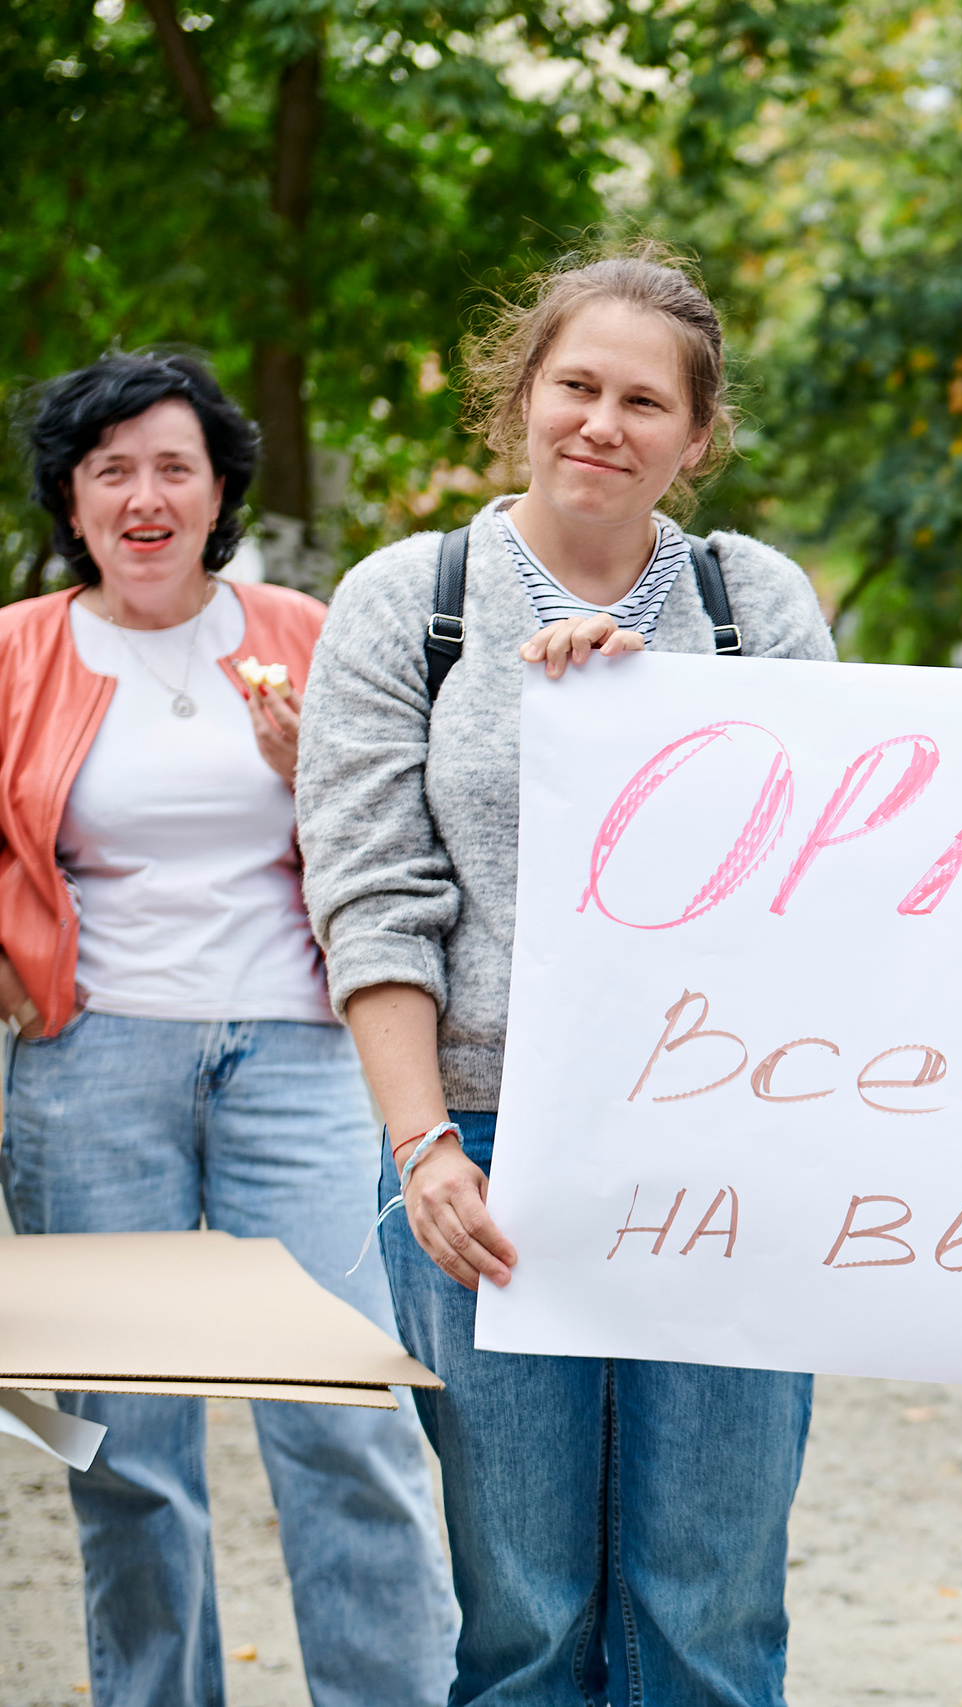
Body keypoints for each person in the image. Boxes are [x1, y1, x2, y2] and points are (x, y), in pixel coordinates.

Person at [295, 247, 836, 1705]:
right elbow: (371, 894)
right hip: (481, 1149)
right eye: (577, 386)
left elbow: (823, 853)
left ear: (697, 435)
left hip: (724, 1147)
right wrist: (420, 1146)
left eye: (644, 400)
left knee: (710, 1611)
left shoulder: (752, 602)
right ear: (521, 396)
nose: (603, 422)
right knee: (527, 1613)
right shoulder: (412, 600)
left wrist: (658, 713)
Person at [0, 352, 456, 1705]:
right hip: (91, 1066)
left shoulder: (310, 632)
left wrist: (309, 770)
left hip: (302, 1053)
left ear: (217, 493)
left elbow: (411, 834)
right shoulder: (18, 649)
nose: (144, 496)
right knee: (123, 1446)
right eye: (111, 470)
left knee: (347, 1422)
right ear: (73, 503)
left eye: (173, 467)